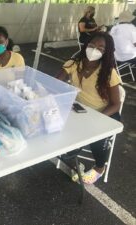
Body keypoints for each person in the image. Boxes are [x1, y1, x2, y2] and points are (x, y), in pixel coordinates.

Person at [57, 32, 122, 184]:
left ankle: (99, 167)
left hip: (105, 113)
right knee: (62, 127)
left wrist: (97, 118)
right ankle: (73, 157)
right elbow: (56, 82)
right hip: (80, 109)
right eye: (92, 45)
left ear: (106, 52)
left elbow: (116, 104)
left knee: (97, 137)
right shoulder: (73, 63)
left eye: (100, 48)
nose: (94, 50)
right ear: (86, 45)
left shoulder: (108, 73)